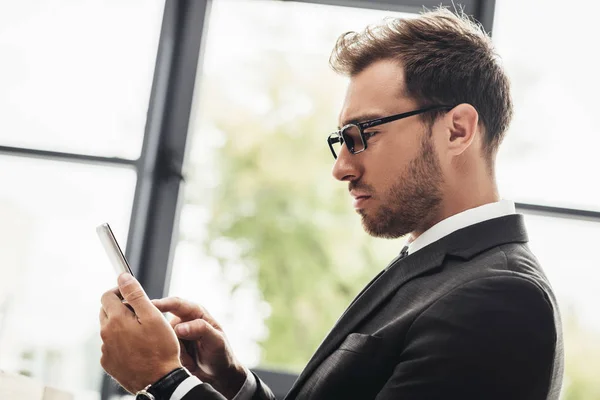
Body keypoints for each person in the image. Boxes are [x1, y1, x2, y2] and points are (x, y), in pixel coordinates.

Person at [99, 8, 563, 400]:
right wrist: (233, 382)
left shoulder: (500, 302)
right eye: (341, 140)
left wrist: (166, 381)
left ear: (457, 130)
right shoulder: (444, 270)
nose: (341, 167)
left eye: (363, 135)